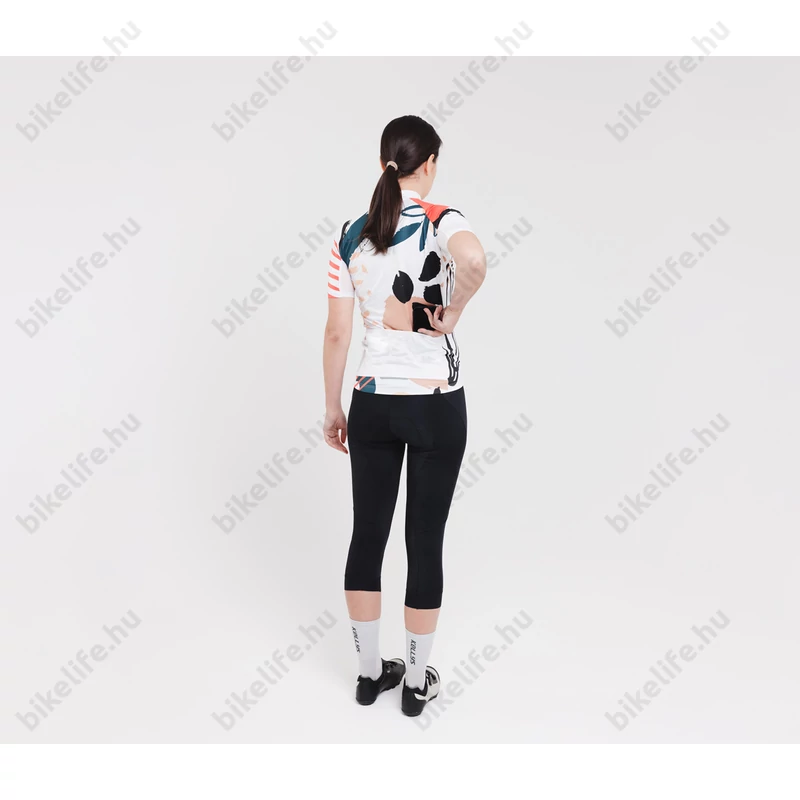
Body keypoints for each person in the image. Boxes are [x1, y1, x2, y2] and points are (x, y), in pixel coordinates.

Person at [322, 115, 487, 716]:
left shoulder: (350, 234)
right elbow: (474, 262)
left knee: (367, 534)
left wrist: (333, 407)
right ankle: (417, 684)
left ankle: (370, 676)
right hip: (436, 402)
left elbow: (337, 333)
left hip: (371, 402)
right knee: (424, 539)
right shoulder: (443, 219)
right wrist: (452, 311)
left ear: (384, 163)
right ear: (430, 163)